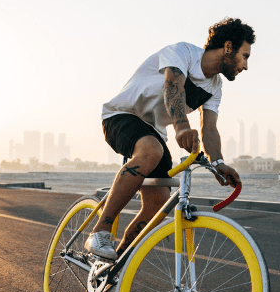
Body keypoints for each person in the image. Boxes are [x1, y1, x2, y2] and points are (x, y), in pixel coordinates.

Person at [85, 17, 255, 260]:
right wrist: (182, 127)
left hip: (154, 132)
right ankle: (99, 232)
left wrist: (218, 163)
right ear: (228, 47)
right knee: (152, 151)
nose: (246, 66)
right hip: (121, 116)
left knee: (158, 206)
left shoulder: (215, 87)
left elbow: (209, 129)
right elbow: (172, 87)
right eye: (245, 56)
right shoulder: (183, 52)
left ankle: (112, 265)